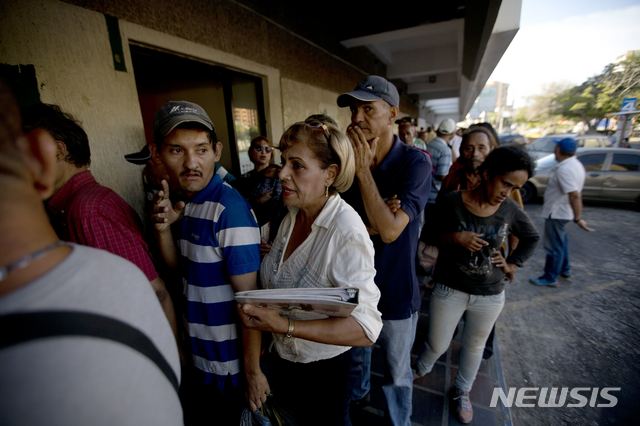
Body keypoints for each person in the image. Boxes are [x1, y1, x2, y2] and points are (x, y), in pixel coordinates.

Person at [0, 84, 182, 425]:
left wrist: (169, 368)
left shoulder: (87, 210)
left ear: (49, 152)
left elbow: (155, 292)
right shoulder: (82, 204)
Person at [237, 120, 383, 426]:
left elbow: (366, 327)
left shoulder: (346, 231)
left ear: (330, 174)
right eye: (283, 162)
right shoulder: (291, 216)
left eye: (297, 165)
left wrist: (284, 324)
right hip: (282, 363)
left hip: (324, 376)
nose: (282, 173)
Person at [149, 100, 266, 424]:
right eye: (177, 151)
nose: (191, 163)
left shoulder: (230, 210)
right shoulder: (190, 202)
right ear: (157, 153)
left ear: (217, 150)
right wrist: (164, 229)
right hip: (200, 357)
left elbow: (250, 302)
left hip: (229, 367)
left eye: (201, 150)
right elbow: (181, 269)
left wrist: (253, 372)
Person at [22, 103, 178, 336]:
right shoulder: (74, 205)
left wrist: (170, 361)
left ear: (59, 150)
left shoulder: (87, 210)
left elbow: (153, 292)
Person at [414, 146, 540, 424]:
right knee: (437, 342)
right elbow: (428, 235)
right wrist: (455, 238)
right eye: (506, 183)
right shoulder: (451, 202)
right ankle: (421, 366)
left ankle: (462, 390)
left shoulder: (509, 210)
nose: (508, 191)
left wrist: (512, 264)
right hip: (449, 288)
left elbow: (531, 237)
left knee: (474, 346)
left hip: (490, 294)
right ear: (487, 174)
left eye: (516, 186)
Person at [338, 75, 431, 426]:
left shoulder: (415, 163)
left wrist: (363, 173)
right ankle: (359, 404)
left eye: (367, 109)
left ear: (391, 113)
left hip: (395, 288)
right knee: (357, 361)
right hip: (353, 286)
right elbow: (350, 221)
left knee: (395, 370)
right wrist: (380, 215)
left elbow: (389, 232)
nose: (357, 118)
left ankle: (399, 422)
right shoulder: (346, 161)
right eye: (353, 110)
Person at [529, 137, 593, 287]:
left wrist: (578, 218)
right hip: (562, 212)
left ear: (557, 150)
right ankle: (565, 269)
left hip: (557, 213)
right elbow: (576, 193)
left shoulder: (565, 169)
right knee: (561, 243)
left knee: (554, 247)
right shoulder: (575, 165)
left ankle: (550, 277)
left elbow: (574, 194)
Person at [234, 136, 285, 244]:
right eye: (258, 148)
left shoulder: (277, 174)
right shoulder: (244, 178)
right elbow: (239, 205)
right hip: (247, 225)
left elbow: (280, 205)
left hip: (271, 226)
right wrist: (257, 201)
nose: (263, 152)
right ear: (250, 152)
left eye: (268, 149)